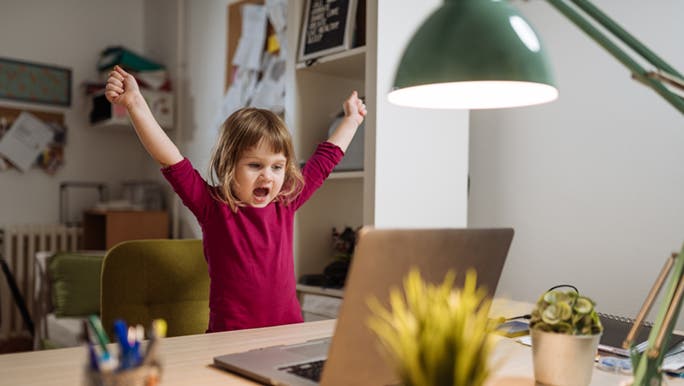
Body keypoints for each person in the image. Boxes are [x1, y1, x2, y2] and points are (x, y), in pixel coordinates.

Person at [105, 65, 366, 332]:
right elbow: (169, 157)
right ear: (229, 165)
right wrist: (135, 104)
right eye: (255, 165)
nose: (268, 176)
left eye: (277, 167)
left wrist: (352, 120)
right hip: (228, 338)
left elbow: (324, 160)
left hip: (287, 333)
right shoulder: (212, 206)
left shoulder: (286, 200)